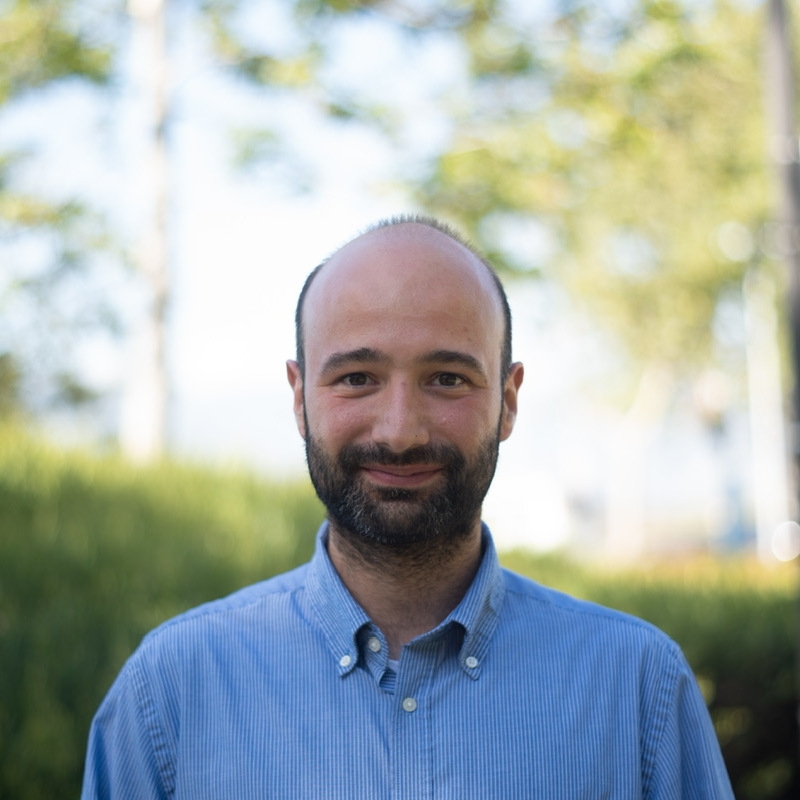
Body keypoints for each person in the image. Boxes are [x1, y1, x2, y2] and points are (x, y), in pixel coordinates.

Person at [82, 215, 734, 799]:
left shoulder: (636, 689)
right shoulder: (171, 693)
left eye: (447, 378)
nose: (399, 431)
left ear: (508, 400)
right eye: (357, 379)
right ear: (298, 395)